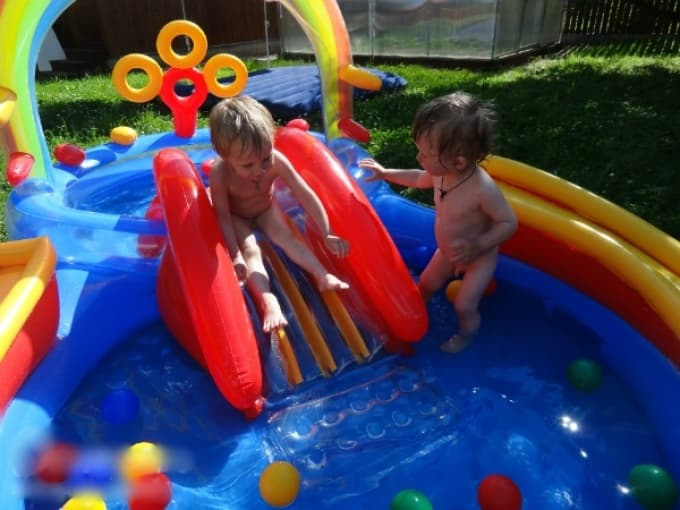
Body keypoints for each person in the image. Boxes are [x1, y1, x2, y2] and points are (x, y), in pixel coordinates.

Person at [358, 91, 517, 353]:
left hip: (478, 256)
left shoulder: (482, 189)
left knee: (464, 305)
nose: (419, 158)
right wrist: (385, 173)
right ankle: (412, 321)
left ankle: (466, 336)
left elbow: (508, 222)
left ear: (458, 161)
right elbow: (418, 178)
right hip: (447, 251)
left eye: (425, 153)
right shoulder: (442, 172)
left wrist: (477, 246)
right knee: (425, 286)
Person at [209, 95, 350, 333]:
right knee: (251, 250)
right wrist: (235, 255)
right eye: (247, 165)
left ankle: (322, 275)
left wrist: (327, 231)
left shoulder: (277, 162)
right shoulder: (220, 174)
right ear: (224, 155)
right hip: (237, 216)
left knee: (289, 239)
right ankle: (269, 301)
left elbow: (305, 194)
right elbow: (222, 215)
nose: (259, 170)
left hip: (265, 209)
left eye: (265, 158)